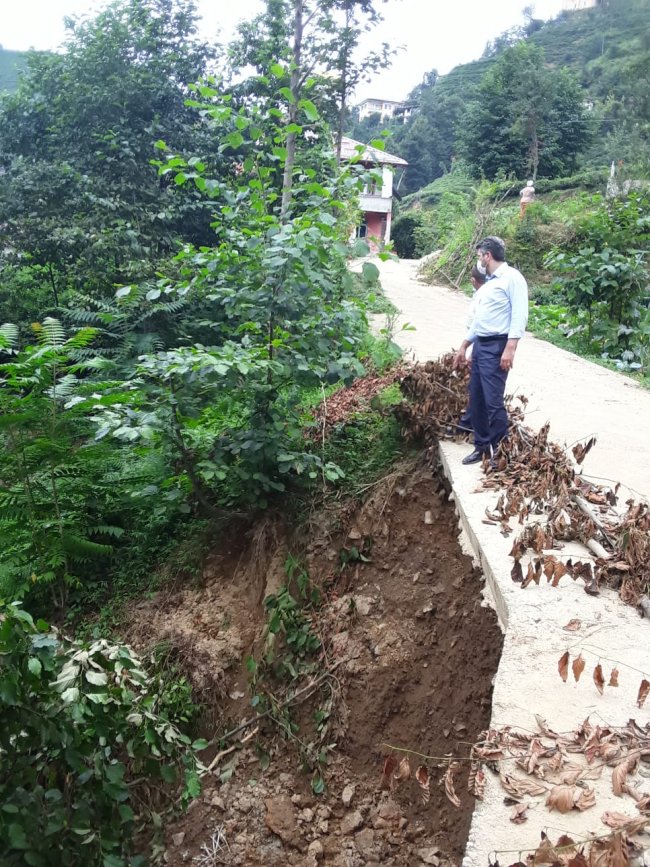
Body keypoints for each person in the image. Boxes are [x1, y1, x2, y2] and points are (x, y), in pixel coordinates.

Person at [452, 236, 528, 465]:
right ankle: (482, 447)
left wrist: (510, 348)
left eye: (479, 256)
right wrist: (465, 345)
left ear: (488, 255)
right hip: (481, 345)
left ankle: (501, 454)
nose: (479, 260)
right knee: (477, 398)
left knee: (493, 402)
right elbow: (480, 319)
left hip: (497, 346)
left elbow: (520, 314)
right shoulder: (490, 283)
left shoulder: (512, 279)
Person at [455, 265, 487, 435]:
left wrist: (471, 351)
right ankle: (469, 423)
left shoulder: (483, 296)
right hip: (479, 344)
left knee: (477, 388)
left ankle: (468, 425)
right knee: (477, 388)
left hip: (480, 345)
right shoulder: (485, 294)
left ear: (473, 280)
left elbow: (479, 326)